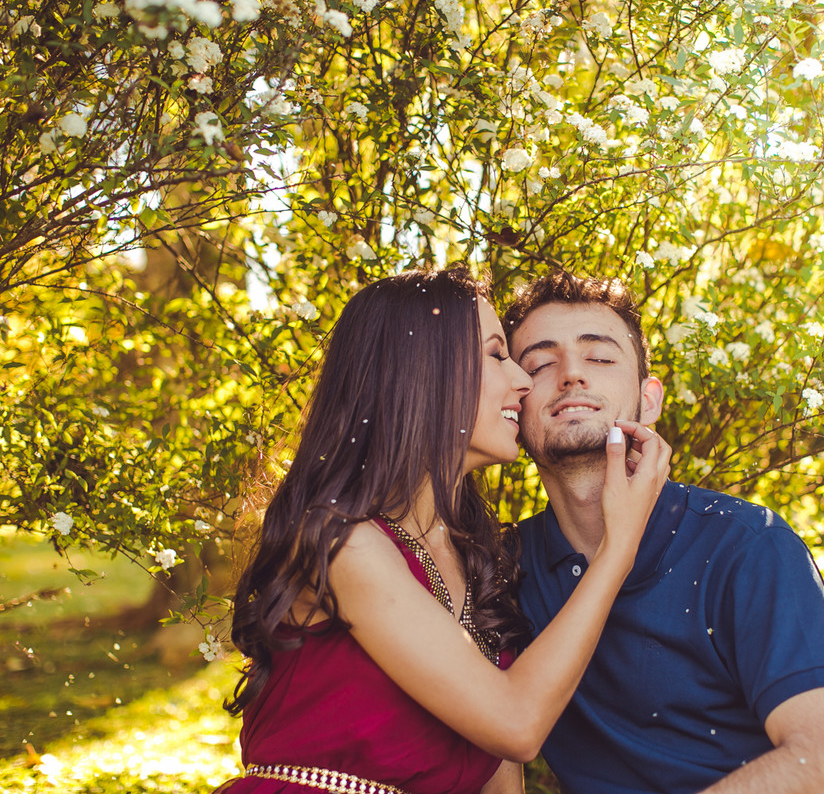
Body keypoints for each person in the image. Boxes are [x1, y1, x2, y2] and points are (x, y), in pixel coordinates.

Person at [219, 266, 670, 794]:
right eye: (497, 354)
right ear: (422, 373)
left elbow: (499, 772)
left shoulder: (480, 556)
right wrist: (619, 548)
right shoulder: (342, 541)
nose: (523, 380)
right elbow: (517, 725)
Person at [503, 271, 824, 794]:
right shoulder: (506, 569)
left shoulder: (747, 545)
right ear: (515, 404)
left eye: (600, 357)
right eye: (539, 364)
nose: (571, 375)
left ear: (649, 401)